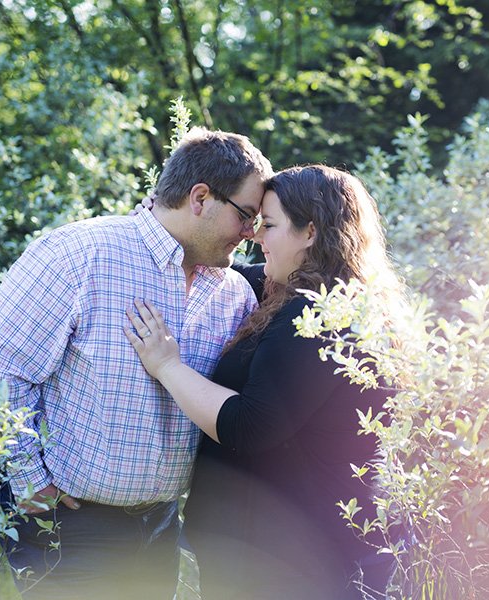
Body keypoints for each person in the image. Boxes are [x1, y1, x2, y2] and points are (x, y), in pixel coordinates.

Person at [0, 127, 272, 598]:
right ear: (200, 197)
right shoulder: (79, 253)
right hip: (71, 524)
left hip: (162, 528)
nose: (251, 233)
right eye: (246, 215)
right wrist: (28, 479)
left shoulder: (231, 291)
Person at [125, 165, 401, 600]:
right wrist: (170, 224)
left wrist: (167, 366)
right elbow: (215, 264)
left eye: (268, 225)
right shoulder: (292, 292)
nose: (256, 237)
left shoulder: (317, 317)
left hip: (292, 564)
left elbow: (249, 426)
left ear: (310, 232)